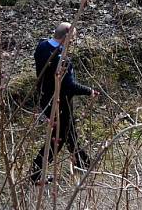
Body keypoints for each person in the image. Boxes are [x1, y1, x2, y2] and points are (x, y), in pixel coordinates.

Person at [30, 22, 99, 185]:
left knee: (70, 132)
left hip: (46, 98)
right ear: (66, 36)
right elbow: (68, 85)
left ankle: (83, 163)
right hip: (60, 102)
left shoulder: (42, 47)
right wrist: (89, 91)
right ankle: (35, 174)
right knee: (58, 139)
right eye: (72, 38)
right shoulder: (62, 58)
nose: (73, 42)